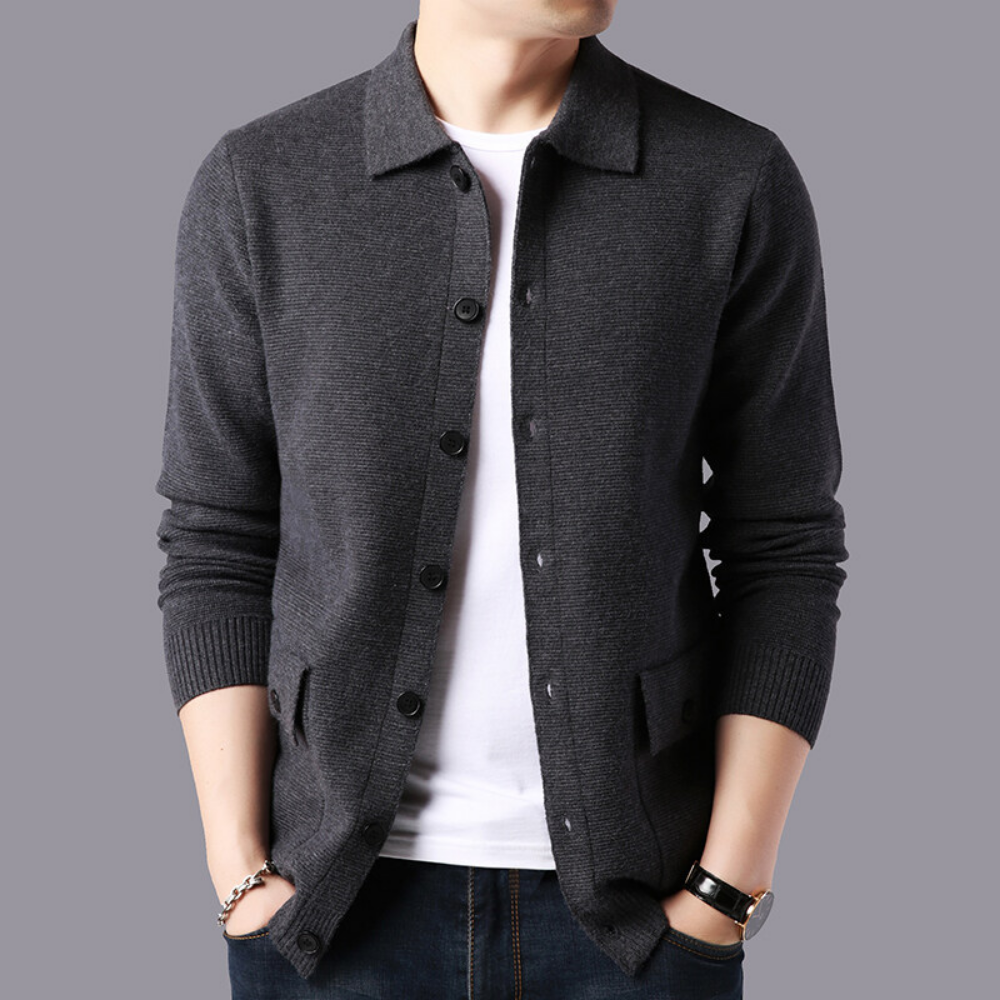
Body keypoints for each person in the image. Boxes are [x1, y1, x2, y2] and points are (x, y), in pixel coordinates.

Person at [154, 2, 848, 998]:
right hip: (326, 918)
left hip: (637, 924)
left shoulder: (727, 179)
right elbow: (215, 537)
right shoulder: (264, 182)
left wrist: (724, 890)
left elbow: (783, 543)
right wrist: (242, 872)